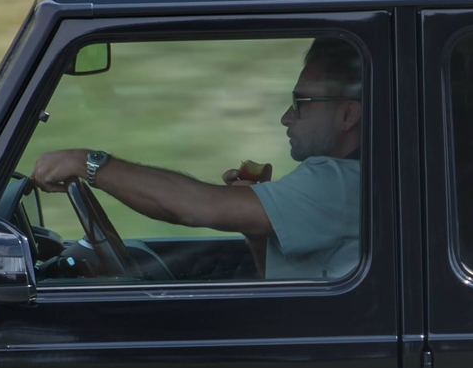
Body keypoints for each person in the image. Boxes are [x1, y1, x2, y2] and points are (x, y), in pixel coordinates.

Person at [29, 37, 363, 280]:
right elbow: (278, 283)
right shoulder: (347, 185)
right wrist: (258, 227)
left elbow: (191, 206)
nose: (286, 117)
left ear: (347, 115)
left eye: (301, 102)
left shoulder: (337, 182)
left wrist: (89, 163)